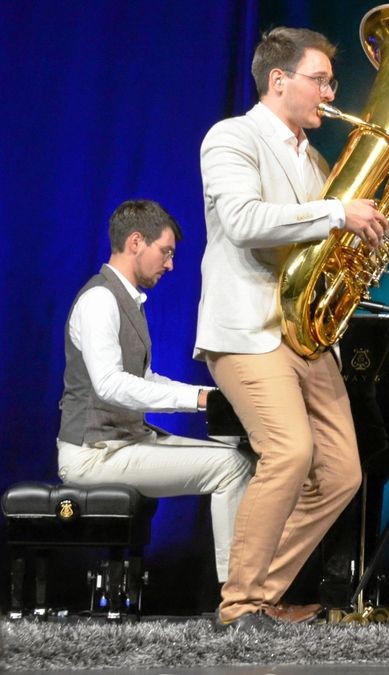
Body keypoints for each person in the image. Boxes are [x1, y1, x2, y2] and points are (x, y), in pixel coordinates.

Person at [195, 27, 389, 631]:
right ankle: (239, 603)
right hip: (247, 330)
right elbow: (243, 222)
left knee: (344, 471)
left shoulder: (317, 160)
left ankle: (259, 597)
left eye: (330, 81)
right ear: (278, 81)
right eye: (319, 79)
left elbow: (351, 250)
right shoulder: (231, 137)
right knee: (290, 451)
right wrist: (337, 210)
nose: (330, 91)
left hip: (307, 336)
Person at [57, 199, 253, 587]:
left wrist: (210, 393)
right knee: (232, 468)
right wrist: (198, 401)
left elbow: (146, 377)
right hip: (92, 456)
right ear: (135, 242)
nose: (170, 265)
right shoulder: (99, 301)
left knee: (238, 454)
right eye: (165, 252)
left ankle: (252, 585)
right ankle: (239, 595)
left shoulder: (126, 300)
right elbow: (110, 385)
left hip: (124, 443)